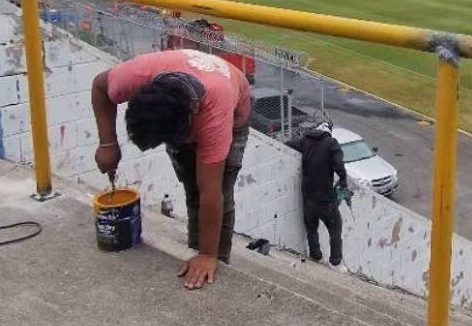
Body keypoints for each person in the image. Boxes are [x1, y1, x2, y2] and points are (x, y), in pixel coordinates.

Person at [91, 49, 250, 289]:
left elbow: (211, 191)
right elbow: (99, 87)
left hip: (231, 114)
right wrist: (107, 143)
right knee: (192, 187)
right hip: (189, 107)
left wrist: (207, 256)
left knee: (217, 193)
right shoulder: (135, 75)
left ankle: (215, 257)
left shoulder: (215, 112)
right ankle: (198, 247)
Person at [287, 122, 348, 267]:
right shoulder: (331, 143)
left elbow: (288, 144)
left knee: (311, 228)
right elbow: (339, 163)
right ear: (328, 132)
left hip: (308, 197)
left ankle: (315, 254)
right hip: (325, 198)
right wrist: (343, 180)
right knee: (335, 226)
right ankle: (335, 259)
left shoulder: (305, 141)